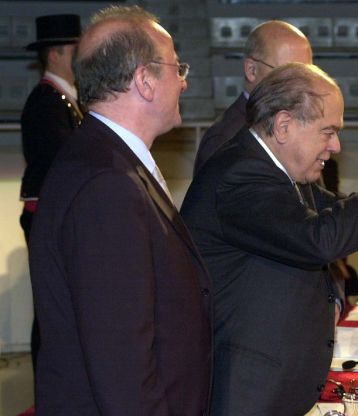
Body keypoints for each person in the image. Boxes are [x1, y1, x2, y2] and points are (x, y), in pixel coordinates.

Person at [180, 63, 358, 415]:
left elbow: (336, 213)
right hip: (245, 388)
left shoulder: (278, 169)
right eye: (328, 131)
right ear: (284, 125)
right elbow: (317, 239)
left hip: (270, 381)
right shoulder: (240, 174)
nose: (335, 145)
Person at [29, 6, 211, 415]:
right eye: (177, 68)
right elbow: (122, 366)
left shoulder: (108, 159)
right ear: (145, 81)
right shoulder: (106, 184)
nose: (183, 82)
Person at [19, 13, 82, 372]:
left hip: (54, 215)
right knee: (50, 305)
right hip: (47, 217)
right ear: (56, 54)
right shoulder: (47, 102)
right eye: (77, 49)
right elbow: (64, 162)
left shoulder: (65, 100)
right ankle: (46, 384)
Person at [193, 20, 312, 174]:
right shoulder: (225, 139)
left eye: (307, 74)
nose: (300, 85)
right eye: (287, 73)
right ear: (251, 70)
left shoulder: (298, 125)